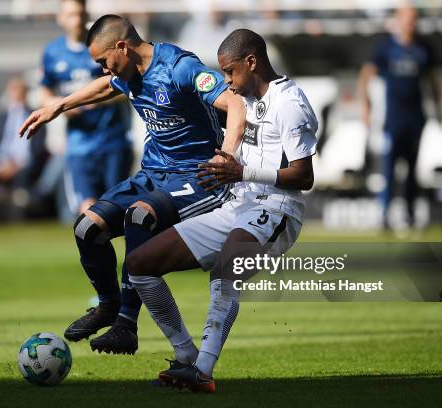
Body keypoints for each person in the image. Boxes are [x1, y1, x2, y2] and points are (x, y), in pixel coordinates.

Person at [20, 15, 246, 355]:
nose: (105, 70)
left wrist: (227, 156)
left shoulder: (179, 68)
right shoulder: (127, 72)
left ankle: (127, 324)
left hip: (198, 176)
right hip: (154, 173)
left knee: (139, 217)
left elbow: (235, 102)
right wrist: (58, 105)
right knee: (87, 229)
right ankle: (109, 306)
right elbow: (105, 86)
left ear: (122, 47)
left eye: (104, 62)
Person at [126, 28, 317, 392]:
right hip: (237, 204)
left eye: (230, 72)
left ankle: (202, 371)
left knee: (224, 274)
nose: (226, 80)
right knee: (139, 265)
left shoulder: (290, 102)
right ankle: (184, 357)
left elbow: (303, 176)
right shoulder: (239, 100)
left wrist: (241, 171)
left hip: (277, 209)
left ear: (252, 62)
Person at [40, 0, 132, 215]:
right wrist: (58, 105)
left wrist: (85, 100)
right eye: (71, 14)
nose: (77, 19)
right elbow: (44, 91)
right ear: (60, 18)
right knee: (87, 209)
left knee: (118, 208)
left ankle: (134, 249)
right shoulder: (53, 52)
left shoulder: (103, 45)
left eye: (80, 14)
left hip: (112, 140)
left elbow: (126, 86)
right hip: (79, 143)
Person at [358, 6, 441, 229]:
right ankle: (384, 215)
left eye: (414, 20)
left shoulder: (423, 48)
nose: (410, 24)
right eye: (407, 19)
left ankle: (411, 215)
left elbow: (432, 80)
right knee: (390, 167)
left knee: (413, 168)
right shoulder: (386, 48)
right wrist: (366, 107)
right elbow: (366, 75)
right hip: (392, 119)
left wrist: (439, 108)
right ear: (398, 21)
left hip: (416, 118)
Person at [0, 77, 46, 220]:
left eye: (19, 90)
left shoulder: (36, 115)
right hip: (1, 163)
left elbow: (37, 148)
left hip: (23, 164)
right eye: (13, 90)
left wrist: (18, 164)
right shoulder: (1, 116)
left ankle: (17, 219)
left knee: (21, 183)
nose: (15, 93)